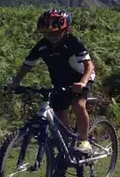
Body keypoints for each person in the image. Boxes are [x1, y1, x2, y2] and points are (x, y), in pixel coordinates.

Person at [7, 9, 96, 156]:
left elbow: (89, 66)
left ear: (66, 30)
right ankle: (66, 148)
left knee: (78, 105)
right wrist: (16, 82)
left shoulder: (74, 43)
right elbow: (27, 65)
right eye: (47, 33)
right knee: (60, 112)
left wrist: (83, 83)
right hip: (60, 81)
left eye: (56, 33)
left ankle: (84, 141)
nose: (51, 37)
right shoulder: (42, 46)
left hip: (82, 77)